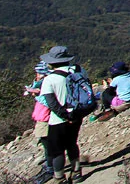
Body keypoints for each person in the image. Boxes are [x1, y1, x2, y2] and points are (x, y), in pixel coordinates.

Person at [38, 46, 86, 183]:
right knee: (72, 144)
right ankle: (77, 172)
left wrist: (65, 116)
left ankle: (59, 178)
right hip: (76, 116)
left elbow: (51, 103)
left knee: (57, 150)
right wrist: (72, 116)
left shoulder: (50, 79)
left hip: (58, 120)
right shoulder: (79, 71)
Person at [26, 61, 52, 183]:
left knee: (48, 146)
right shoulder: (48, 83)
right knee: (47, 145)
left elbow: (47, 101)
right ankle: (49, 166)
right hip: (44, 118)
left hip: (45, 120)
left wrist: (35, 93)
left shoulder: (46, 84)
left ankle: (50, 169)